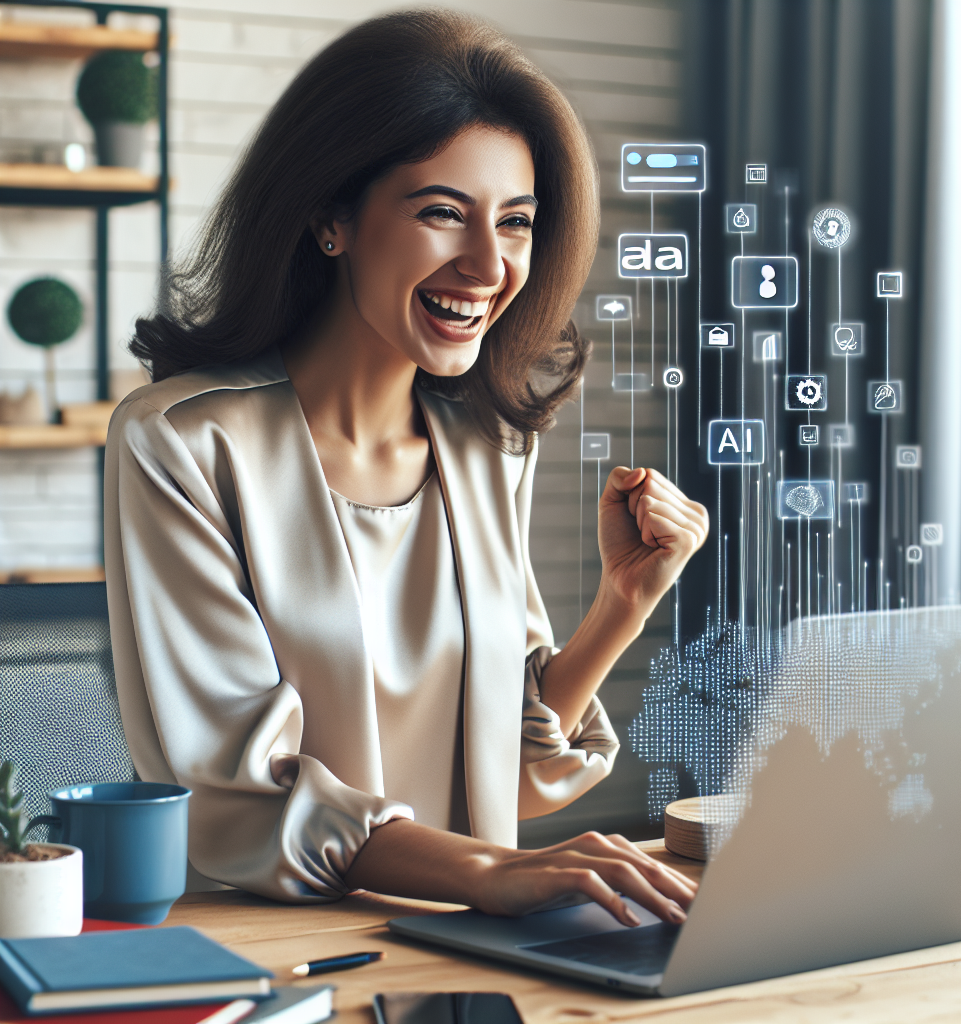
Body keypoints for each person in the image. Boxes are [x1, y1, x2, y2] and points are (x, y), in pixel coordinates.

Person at [105, 9, 709, 929]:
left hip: (467, 941)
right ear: (330, 217)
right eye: (441, 213)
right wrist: (487, 872)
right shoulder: (184, 441)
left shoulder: (487, 443)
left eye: (515, 222)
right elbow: (235, 796)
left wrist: (624, 605)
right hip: (283, 948)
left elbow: (514, 776)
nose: (489, 263)